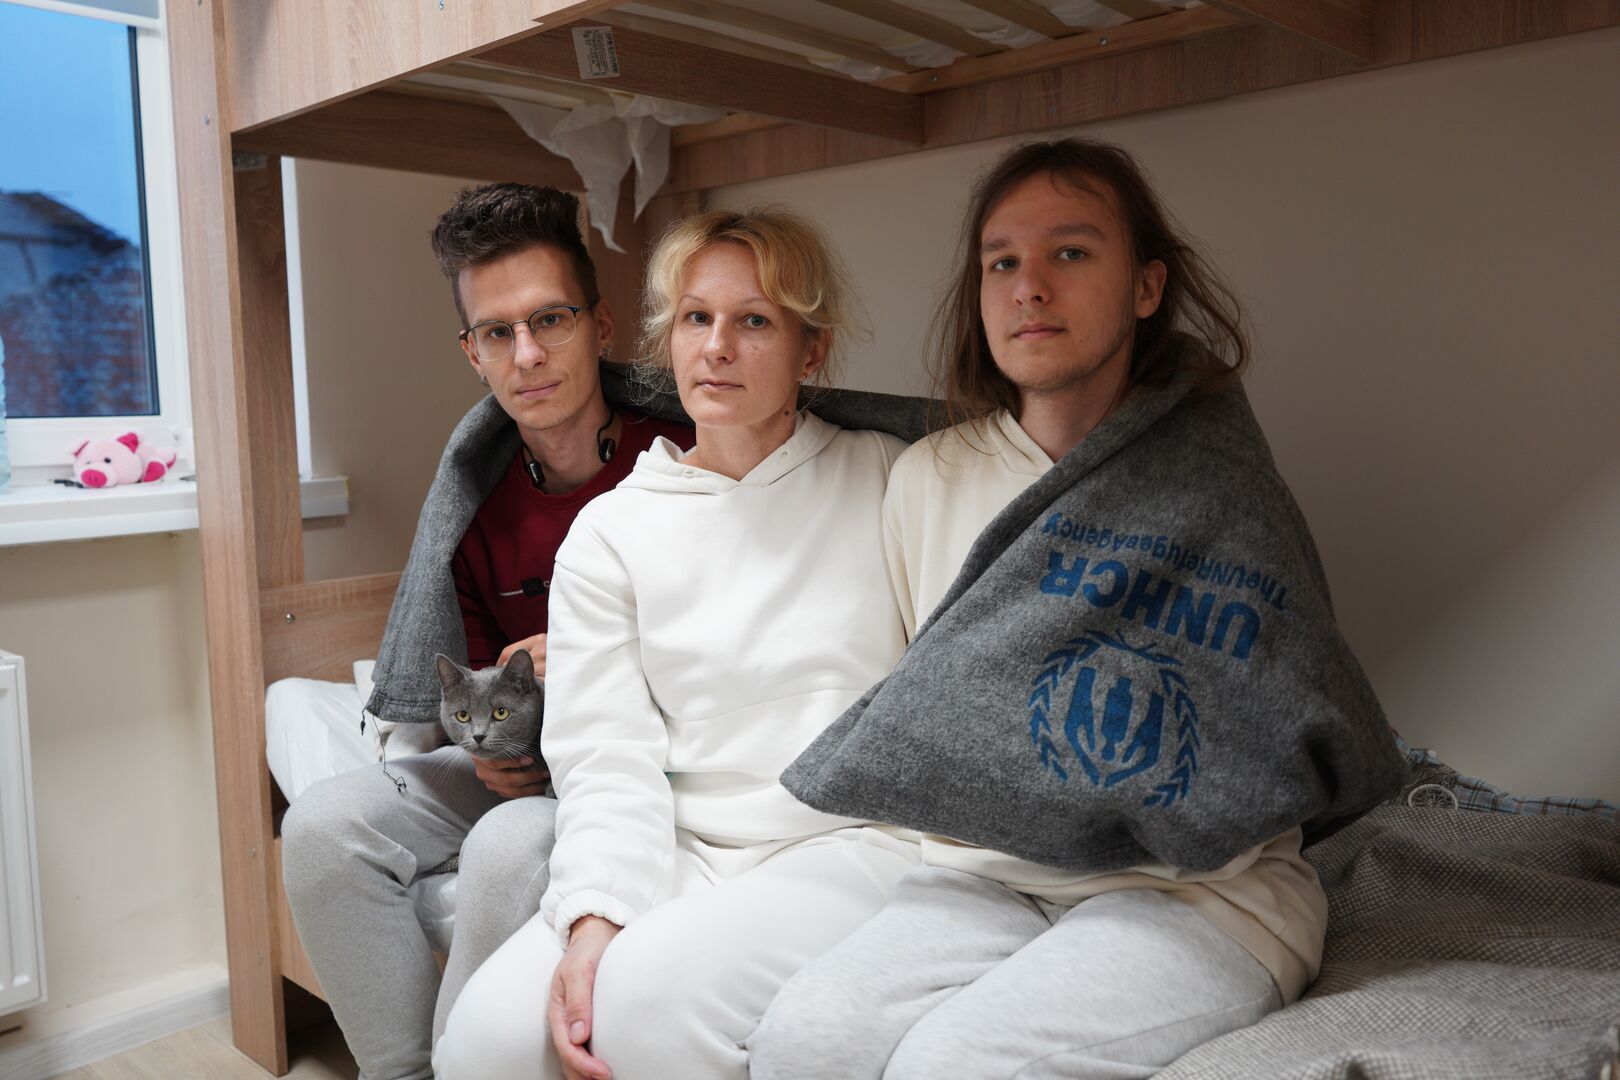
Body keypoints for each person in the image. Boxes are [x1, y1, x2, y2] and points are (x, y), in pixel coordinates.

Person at [754, 138, 1403, 1079]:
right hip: (983, 874)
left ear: (1146, 286)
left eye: (1070, 252)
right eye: (1002, 262)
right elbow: (924, 704)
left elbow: (1291, 714)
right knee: (800, 1042)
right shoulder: (930, 478)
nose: (1029, 287)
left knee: (956, 1065)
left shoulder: (1213, 483)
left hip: (1200, 895)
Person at [433, 208, 922, 1080]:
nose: (718, 347)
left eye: (755, 320)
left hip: (849, 844)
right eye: (697, 317)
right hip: (683, 848)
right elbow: (606, 757)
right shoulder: (611, 532)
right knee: (484, 1045)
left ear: (812, 351)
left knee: (648, 1006)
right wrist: (594, 920)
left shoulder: (888, 478)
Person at [280, 183, 690, 1080]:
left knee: (510, 849)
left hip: (639, 761)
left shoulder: (686, 452)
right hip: (530, 766)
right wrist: (488, 753)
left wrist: (579, 660)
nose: (528, 354)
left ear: (602, 325)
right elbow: (469, 688)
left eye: (551, 319)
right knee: (319, 827)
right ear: (471, 352)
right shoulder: (471, 503)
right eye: (497, 332)